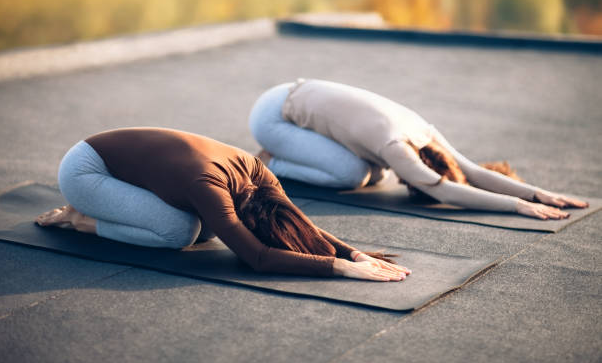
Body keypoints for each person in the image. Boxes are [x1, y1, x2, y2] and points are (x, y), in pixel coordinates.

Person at [35, 128, 409, 282]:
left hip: (127, 166)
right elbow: (257, 258)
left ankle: (98, 211)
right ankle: (81, 218)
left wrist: (356, 253)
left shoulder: (261, 175)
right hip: (86, 171)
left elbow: (299, 221)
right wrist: (340, 268)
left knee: (209, 230)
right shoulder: (209, 187)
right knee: (180, 232)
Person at [249, 79, 588, 220]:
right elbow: (447, 189)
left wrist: (539, 194)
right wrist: (518, 206)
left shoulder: (426, 132)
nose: (409, 182)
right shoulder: (397, 146)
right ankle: (273, 160)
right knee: (354, 173)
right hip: (274, 115)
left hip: (297, 91)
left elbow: (472, 172)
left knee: (375, 172)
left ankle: (295, 150)